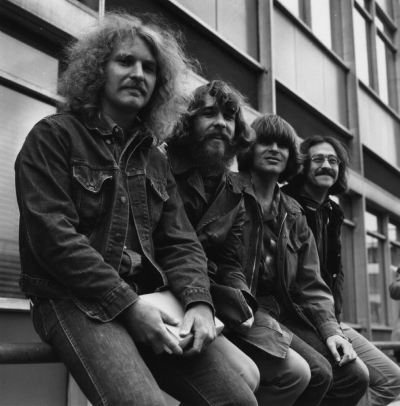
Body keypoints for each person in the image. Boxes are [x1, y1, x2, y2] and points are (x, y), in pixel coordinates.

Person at [15, 13, 259, 406]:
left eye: (149, 67)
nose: (138, 74)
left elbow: (180, 242)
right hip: (71, 299)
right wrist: (128, 307)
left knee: (238, 400)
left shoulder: (154, 159)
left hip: (147, 299)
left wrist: (199, 301)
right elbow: (53, 238)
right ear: (98, 69)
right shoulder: (53, 136)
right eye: (125, 61)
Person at [168, 80, 312, 405]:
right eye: (209, 113)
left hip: (216, 299)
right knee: (247, 377)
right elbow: (169, 248)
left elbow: (230, 260)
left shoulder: (233, 189)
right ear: (189, 121)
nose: (221, 122)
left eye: (229, 117)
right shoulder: (163, 167)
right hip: (166, 291)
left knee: (298, 373)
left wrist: (242, 300)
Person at [236, 114, 369, 406]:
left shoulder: (293, 212)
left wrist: (331, 330)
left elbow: (312, 281)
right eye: (265, 142)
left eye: (283, 145)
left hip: (286, 314)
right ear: (248, 148)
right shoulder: (228, 192)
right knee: (317, 372)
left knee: (353, 375)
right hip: (243, 307)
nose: (275, 149)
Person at [283, 135, 400, 406]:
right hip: (296, 319)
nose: (326, 165)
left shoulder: (333, 212)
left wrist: (333, 323)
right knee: (345, 377)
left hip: (330, 319)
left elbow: (335, 275)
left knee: (392, 380)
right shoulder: (285, 203)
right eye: (317, 159)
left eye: (333, 160)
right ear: (302, 165)